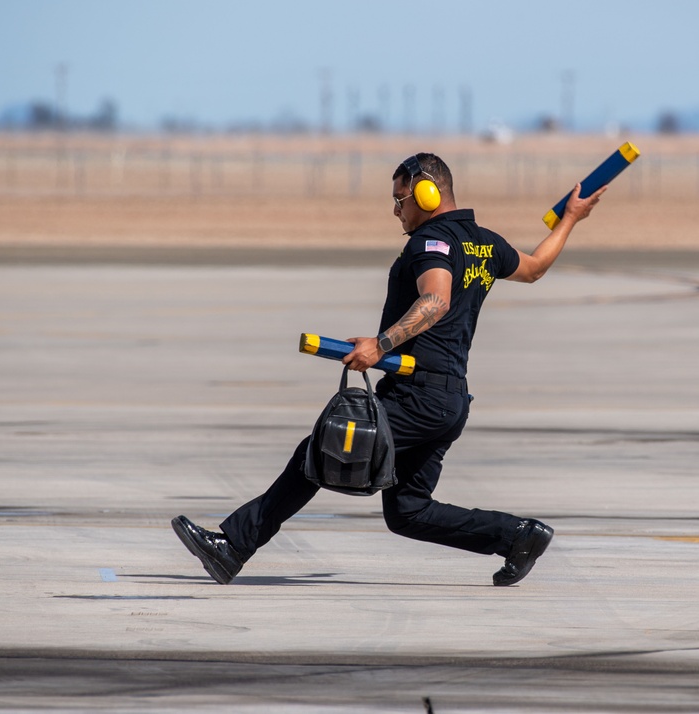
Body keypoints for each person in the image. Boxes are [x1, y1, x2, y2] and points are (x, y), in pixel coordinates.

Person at [172, 152, 606, 586]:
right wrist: (570, 218)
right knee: (408, 512)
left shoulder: (430, 242)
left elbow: (435, 301)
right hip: (449, 399)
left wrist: (380, 345)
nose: (396, 210)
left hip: (419, 396)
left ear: (427, 193)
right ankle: (517, 537)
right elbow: (534, 269)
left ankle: (233, 547)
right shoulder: (485, 242)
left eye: (401, 200)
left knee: (322, 449)